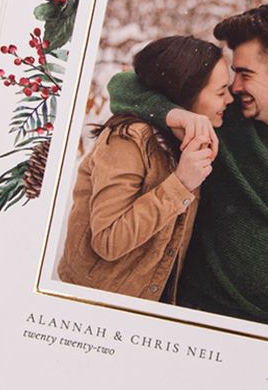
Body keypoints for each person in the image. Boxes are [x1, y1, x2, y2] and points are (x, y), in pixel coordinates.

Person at [108, 4, 268, 330]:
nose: (234, 87)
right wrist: (173, 114)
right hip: (191, 315)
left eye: (246, 74)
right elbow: (123, 85)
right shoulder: (221, 117)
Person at [58, 35, 232, 303]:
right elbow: (108, 239)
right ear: (187, 92)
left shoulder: (190, 139)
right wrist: (180, 184)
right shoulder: (128, 140)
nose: (229, 99)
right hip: (97, 301)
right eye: (221, 92)